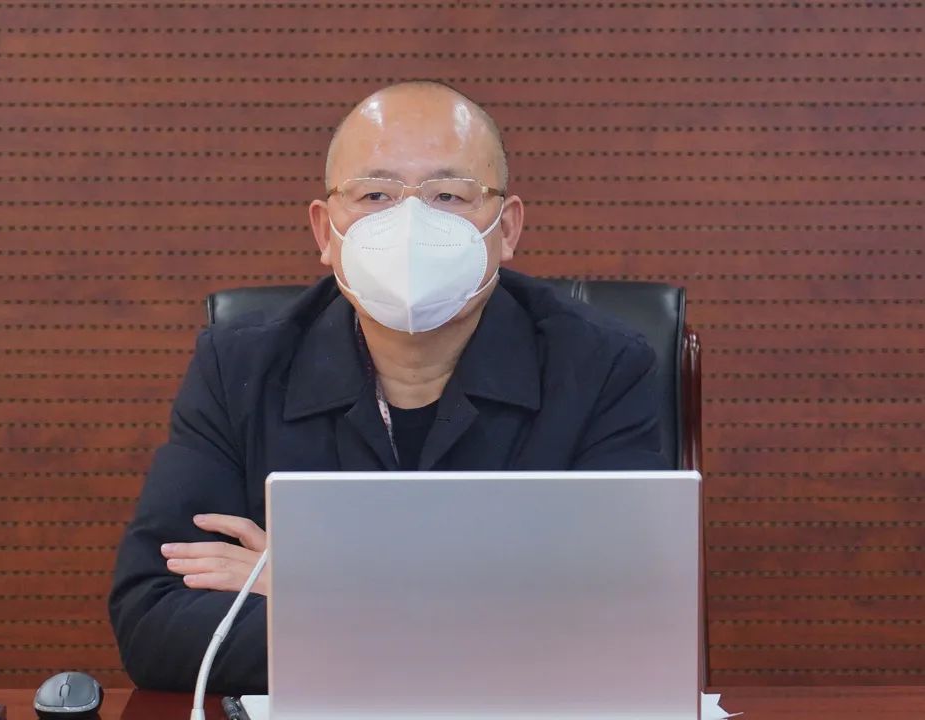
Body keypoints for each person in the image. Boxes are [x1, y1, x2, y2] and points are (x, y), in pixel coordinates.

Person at [108, 80, 666, 693]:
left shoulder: (601, 367)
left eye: (448, 195)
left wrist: (320, 590)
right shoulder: (239, 367)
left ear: (506, 229)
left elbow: (624, 622)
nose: (410, 224)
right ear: (326, 233)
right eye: (375, 194)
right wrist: (481, 614)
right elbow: (155, 623)